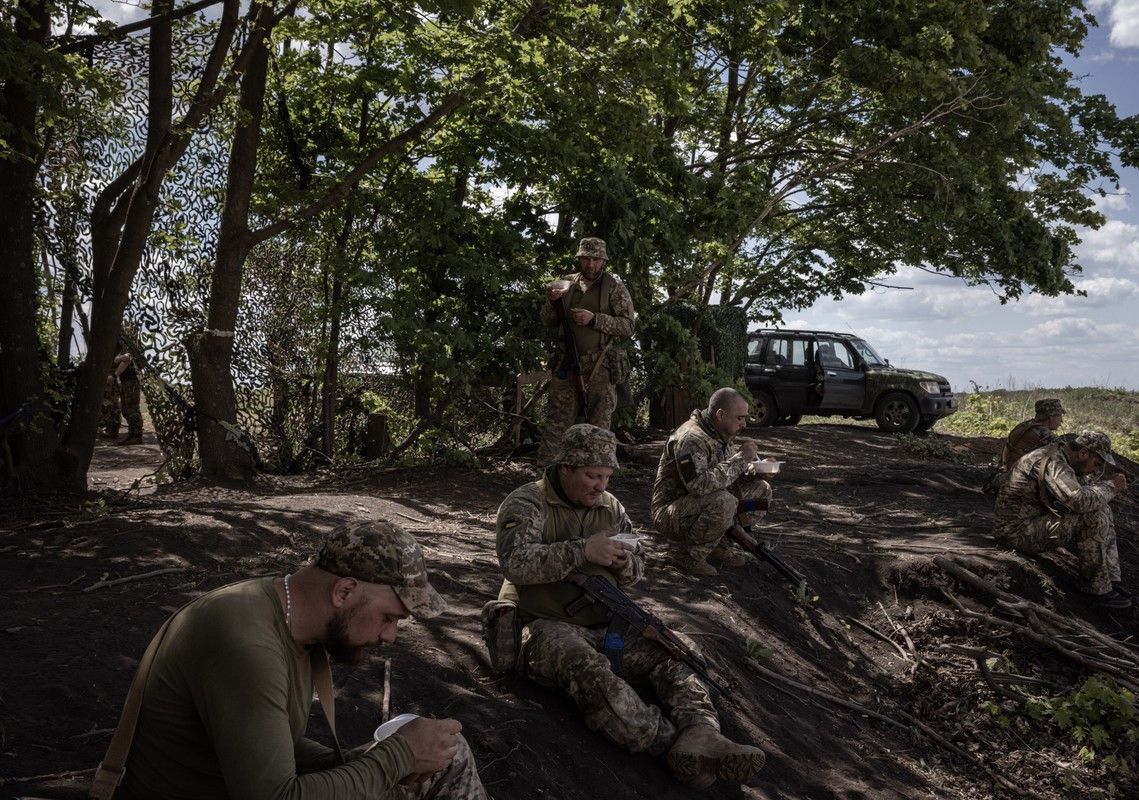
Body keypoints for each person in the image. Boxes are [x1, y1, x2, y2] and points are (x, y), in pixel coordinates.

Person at [100, 520, 489, 800]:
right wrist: (396, 757)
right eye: (390, 618)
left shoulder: (283, 616)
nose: (390, 636)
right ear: (344, 591)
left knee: (445, 754)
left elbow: (266, 747)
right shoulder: (248, 649)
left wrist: (356, 761)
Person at [494, 424, 766, 789]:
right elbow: (514, 561)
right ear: (566, 468)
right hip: (543, 625)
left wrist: (624, 564)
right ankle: (669, 743)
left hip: (607, 622)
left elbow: (638, 567)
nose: (601, 486)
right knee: (589, 669)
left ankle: (702, 731)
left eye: (606, 476)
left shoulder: (611, 508)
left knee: (679, 649)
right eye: (592, 476)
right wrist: (582, 550)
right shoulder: (528, 502)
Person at [992, 430, 1131, 610]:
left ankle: (1110, 579)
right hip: (1015, 533)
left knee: (1101, 507)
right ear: (1083, 453)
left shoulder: (1060, 456)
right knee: (1091, 517)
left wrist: (1101, 489)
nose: (1096, 471)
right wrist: (1110, 487)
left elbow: (1085, 496)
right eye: (1096, 464)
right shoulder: (1053, 461)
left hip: (1030, 524)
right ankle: (1096, 590)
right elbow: (1078, 501)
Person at [650, 388, 773, 577]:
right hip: (671, 512)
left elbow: (729, 475)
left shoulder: (720, 433)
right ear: (720, 414)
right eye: (739, 418)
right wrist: (741, 459)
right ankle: (687, 556)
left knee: (762, 491)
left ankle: (717, 544)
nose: (744, 424)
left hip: (700, 505)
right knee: (725, 501)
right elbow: (699, 485)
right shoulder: (691, 438)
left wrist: (756, 471)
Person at [536, 237, 635, 466]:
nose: (591, 264)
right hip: (567, 364)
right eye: (586, 259)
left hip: (599, 366)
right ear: (579, 259)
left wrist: (595, 320)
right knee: (556, 424)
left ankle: (596, 480)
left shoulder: (614, 288)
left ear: (603, 261)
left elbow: (628, 326)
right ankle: (546, 481)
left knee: (598, 428)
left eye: (596, 259)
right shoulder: (565, 284)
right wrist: (552, 302)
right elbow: (547, 322)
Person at [999, 398, 1065, 472]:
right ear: (1051, 416)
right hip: (1015, 479)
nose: (1061, 420)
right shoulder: (1042, 433)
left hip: (1003, 474)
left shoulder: (1024, 425)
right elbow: (1067, 452)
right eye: (1060, 416)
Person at [100, 343, 144, 445]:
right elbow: (117, 360)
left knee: (132, 409)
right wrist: (119, 359)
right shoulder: (119, 350)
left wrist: (114, 376)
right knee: (126, 410)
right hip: (124, 381)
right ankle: (131, 434)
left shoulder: (127, 347)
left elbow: (127, 359)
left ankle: (137, 435)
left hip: (131, 381)